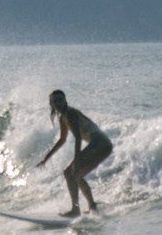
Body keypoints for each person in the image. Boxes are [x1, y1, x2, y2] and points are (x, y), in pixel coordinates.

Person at [37, 89, 113, 218]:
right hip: (104, 145)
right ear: (51, 104)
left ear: (65, 100)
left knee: (69, 172)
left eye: (60, 100)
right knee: (76, 175)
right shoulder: (63, 118)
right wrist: (46, 158)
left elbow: (78, 138)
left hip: (100, 143)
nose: (58, 103)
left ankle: (75, 210)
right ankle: (93, 207)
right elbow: (62, 140)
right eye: (55, 101)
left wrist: (76, 162)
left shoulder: (70, 113)